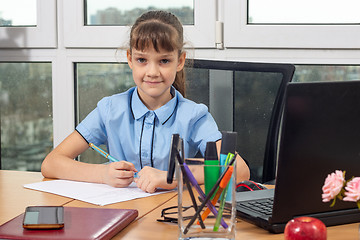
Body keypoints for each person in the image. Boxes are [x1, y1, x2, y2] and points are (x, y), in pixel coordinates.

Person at [41, 10, 250, 193]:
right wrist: (102, 173)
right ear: (130, 59)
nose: (152, 72)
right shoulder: (110, 109)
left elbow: (239, 169)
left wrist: (173, 176)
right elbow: (51, 163)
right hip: (121, 214)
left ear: (180, 61)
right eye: (142, 60)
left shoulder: (194, 116)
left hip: (171, 221)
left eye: (164, 61)